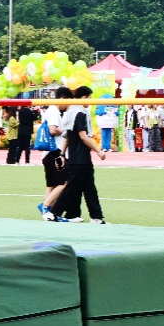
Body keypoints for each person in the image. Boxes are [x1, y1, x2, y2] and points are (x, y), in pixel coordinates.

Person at [48, 86, 108, 224]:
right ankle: (53, 213)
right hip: (79, 159)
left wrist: (62, 154)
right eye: (90, 98)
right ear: (84, 97)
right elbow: (83, 136)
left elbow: (67, 136)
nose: (90, 101)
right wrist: (98, 150)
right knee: (72, 188)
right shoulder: (79, 114)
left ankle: (96, 217)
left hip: (80, 158)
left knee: (89, 188)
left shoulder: (71, 113)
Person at [38, 86, 72, 219]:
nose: (68, 106)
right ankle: (46, 206)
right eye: (68, 102)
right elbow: (53, 129)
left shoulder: (52, 110)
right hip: (54, 152)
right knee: (64, 183)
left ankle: (48, 212)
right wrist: (65, 132)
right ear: (63, 98)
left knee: (51, 185)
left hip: (49, 153)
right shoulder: (54, 111)